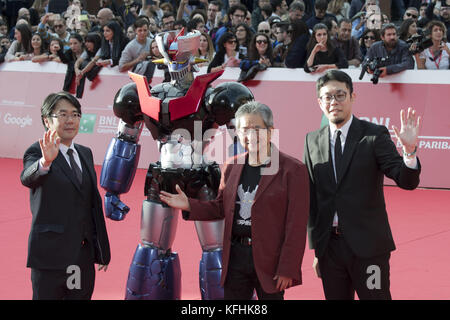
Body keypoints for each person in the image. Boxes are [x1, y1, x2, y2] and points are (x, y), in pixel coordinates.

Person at [159, 101, 310, 300]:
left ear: (270, 131)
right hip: (236, 258)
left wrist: (287, 268)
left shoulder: (293, 170)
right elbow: (221, 207)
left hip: (270, 259)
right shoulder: (232, 166)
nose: (251, 135)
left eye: (257, 129)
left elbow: (296, 226)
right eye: (245, 129)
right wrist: (189, 204)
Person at [303, 69, 421, 300]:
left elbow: (405, 180)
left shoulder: (374, 135)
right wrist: (318, 249)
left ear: (352, 97)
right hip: (330, 250)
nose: (334, 102)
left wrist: (409, 152)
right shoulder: (312, 140)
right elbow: (313, 198)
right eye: (328, 97)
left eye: (340, 95)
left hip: (369, 249)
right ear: (319, 102)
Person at [20, 91, 111, 300]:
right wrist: (45, 163)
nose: (70, 120)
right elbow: (28, 178)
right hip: (50, 256)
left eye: (75, 114)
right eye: (62, 114)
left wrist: (101, 250)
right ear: (47, 120)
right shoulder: (37, 152)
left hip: (81, 256)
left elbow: (92, 204)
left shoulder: (85, 153)